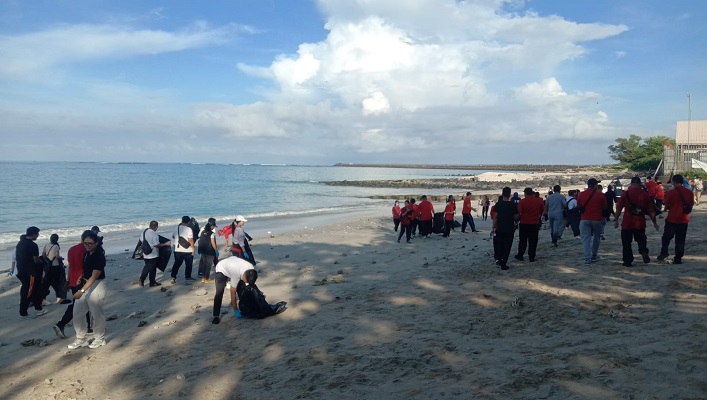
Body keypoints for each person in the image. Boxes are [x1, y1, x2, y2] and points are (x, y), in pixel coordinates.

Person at [67, 230, 107, 349]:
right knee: (77, 312)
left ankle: (100, 338)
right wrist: (80, 277)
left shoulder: (99, 256)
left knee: (96, 313)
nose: (87, 246)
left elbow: (94, 276)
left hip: (97, 285)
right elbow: (86, 270)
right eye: (85, 243)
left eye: (90, 243)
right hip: (86, 283)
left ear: (96, 243)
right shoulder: (86, 253)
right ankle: (81, 338)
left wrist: (81, 291)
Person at [614, 177, 659, 267]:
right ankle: (643, 251)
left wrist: (616, 220)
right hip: (640, 222)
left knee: (626, 243)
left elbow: (619, 208)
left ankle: (628, 261)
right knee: (641, 239)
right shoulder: (645, 195)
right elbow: (651, 210)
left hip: (627, 222)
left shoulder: (625, 194)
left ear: (631, 184)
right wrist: (654, 223)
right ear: (640, 184)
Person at [53, 237, 92, 339]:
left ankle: (88, 327)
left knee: (83, 304)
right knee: (78, 305)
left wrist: (68, 281)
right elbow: (86, 266)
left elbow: (70, 266)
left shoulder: (71, 249)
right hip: (82, 280)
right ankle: (61, 324)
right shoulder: (86, 250)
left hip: (74, 280)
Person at [657, 174, 694, 264]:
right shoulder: (689, 192)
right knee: (680, 240)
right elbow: (691, 205)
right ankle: (678, 258)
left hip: (672, 218)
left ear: (673, 181)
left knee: (666, 237)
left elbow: (666, 205)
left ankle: (664, 252)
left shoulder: (671, 192)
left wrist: (666, 209)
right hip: (683, 219)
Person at [211, 255, 255, 324]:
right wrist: (235, 309)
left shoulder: (251, 269)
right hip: (221, 269)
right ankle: (216, 315)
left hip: (232, 262)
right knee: (219, 292)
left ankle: (245, 308)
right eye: (246, 281)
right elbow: (232, 292)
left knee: (242, 289)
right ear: (244, 276)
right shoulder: (236, 274)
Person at [16, 226, 46, 319]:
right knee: (28, 291)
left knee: (33, 290)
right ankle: (23, 313)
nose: (38, 236)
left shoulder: (20, 243)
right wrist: (42, 263)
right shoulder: (32, 245)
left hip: (20, 270)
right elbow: (35, 259)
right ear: (33, 234)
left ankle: (38, 308)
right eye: (37, 234)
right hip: (30, 272)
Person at [577, 178, 608, 266]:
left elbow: (579, 207)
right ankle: (594, 255)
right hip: (597, 219)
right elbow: (605, 208)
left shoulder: (581, 194)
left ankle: (587, 258)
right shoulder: (601, 195)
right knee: (596, 237)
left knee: (586, 239)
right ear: (595, 185)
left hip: (584, 219)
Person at [492, 187, 518, 270]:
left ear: (502, 194)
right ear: (510, 194)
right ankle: (504, 262)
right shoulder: (512, 205)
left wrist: (493, 227)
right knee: (507, 246)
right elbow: (516, 217)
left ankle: (499, 259)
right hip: (509, 227)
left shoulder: (498, 204)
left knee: (500, 244)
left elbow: (495, 217)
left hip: (500, 228)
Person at [515, 187, 544, 262]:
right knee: (533, 241)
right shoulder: (538, 200)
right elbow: (542, 210)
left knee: (523, 240)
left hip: (524, 223)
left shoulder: (522, 201)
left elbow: (519, 212)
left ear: (525, 193)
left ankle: (520, 255)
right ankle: (531, 256)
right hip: (534, 223)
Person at [139, 221, 170, 287]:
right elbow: (157, 245)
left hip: (145, 253)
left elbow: (141, 241)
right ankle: (152, 282)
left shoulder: (144, 232)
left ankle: (141, 279)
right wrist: (165, 244)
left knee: (146, 267)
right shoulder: (154, 234)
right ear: (156, 227)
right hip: (153, 254)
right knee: (152, 269)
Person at [41, 233, 68, 304]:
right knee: (58, 282)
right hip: (55, 266)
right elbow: (57, 256)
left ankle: (42, 299)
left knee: (46, 283)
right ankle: (59, 298)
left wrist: (48, 260)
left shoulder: (46, 245)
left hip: (48, 267)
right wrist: (61, 258)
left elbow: (43, 254)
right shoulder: (56, 246)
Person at [170, 216, 196, 284]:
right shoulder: (188, 229)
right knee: (188, 264)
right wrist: (193, 248)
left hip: (177, 249)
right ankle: (188, 276)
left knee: (177, 263)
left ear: (182, 221)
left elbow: (173, 236)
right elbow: (190, 240)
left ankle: (173, 276)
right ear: (188, 222)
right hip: (187, 250)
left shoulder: (177, 228)